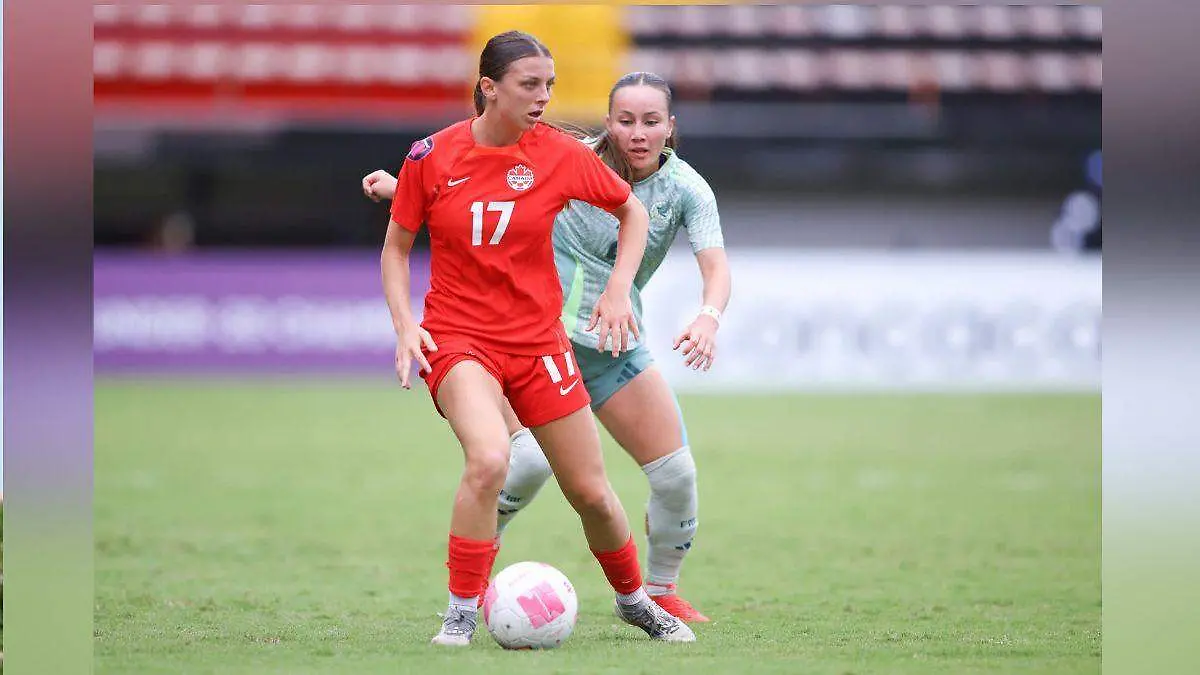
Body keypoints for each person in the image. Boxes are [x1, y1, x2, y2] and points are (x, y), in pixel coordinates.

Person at [365, 71, 730, 624]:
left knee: (675, 474)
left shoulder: (687, 190)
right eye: (626, 120)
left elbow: (716, 267)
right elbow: (485, 190)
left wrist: (708, 317)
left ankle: (659, 591)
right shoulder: (565, 156)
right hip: (533, 340)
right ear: (608, 123)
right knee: (523, 461)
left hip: (610, 346)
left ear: (670, 127)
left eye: (651, 121)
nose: (637, 132)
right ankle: (472, 584)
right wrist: (406, 191)